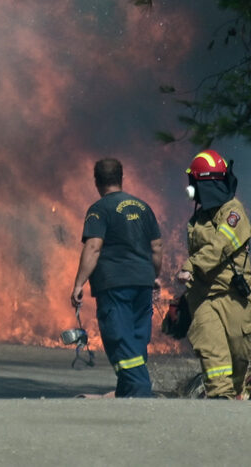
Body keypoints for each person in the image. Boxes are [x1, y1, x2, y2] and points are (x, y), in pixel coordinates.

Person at [71, 157, 163, 398]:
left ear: (97, 181)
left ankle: (141, 392)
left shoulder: (99, 210)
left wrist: (79, 283)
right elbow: (157, 247)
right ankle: (126, 393)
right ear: (121, 178)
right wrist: (153, 275)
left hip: (115, 285)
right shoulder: (143, 208)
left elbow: (93, 247)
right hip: (143, 283)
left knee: (120, 339)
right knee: (137, 338)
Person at [174, 149, 251, 399]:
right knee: (212, 353)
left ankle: (232, 396)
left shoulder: (234, 211)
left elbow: (221, 245)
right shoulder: (197, 219)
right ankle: (219, 398)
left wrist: (191, 265)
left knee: (239, 355)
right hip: (202, 298)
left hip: (234, 296)